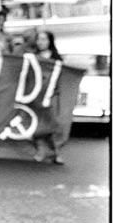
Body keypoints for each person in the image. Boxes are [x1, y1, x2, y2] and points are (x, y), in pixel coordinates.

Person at [33, 30, 65, 165]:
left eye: (44, 39)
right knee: (37, 124)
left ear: (50, 41)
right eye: (38, 39)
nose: (40, 42)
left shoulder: (57, 59)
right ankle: (41, 151)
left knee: (52, 124)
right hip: (35, 95)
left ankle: (56, 152)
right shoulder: (32, 57)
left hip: (52, 96)